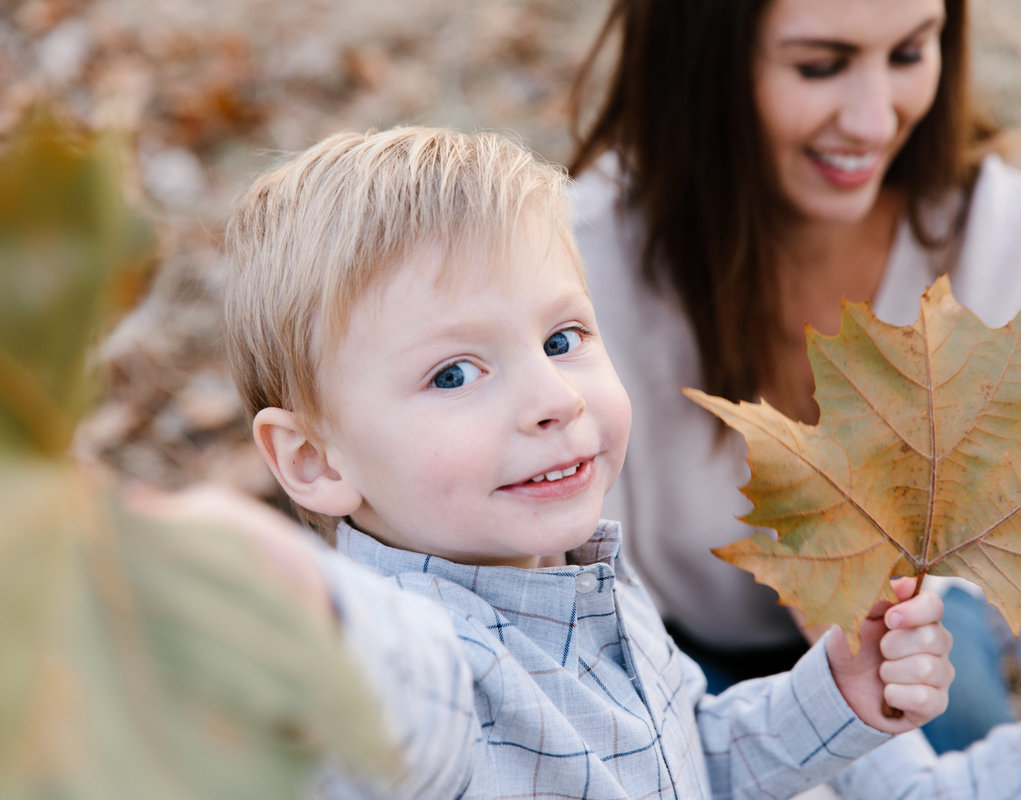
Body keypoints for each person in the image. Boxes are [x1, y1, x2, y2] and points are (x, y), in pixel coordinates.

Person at [220, 124, 957, 799]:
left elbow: (682, 765)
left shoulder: (585, 574)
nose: (555, 397)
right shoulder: (410, 664)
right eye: (453, 374)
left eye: (563, 339)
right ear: (314, 460)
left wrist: (833, 695)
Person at [567, 0, 1021, 753]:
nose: (876, 120)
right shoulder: (587, 265)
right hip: (675, 662)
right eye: (820, 65)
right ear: (701, 62)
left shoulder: (1001, 233)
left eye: (910, 53)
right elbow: (579, 612)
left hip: (921, 642)